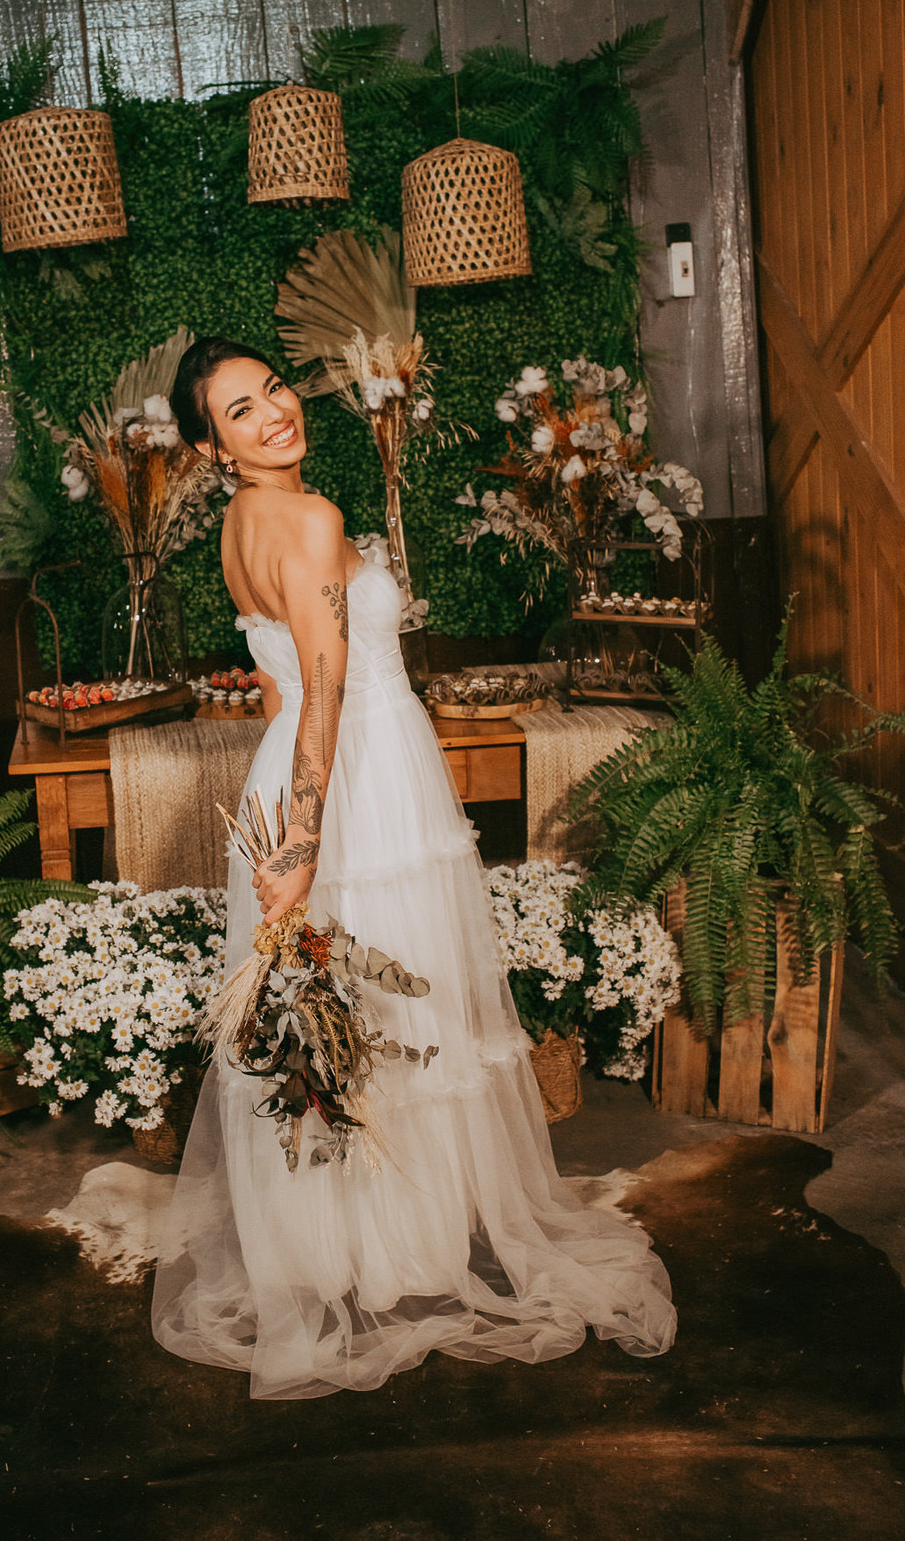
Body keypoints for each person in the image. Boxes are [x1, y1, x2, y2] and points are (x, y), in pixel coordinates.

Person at [151, 336, 676, 1400]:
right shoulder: (308, 518)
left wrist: (278, 818)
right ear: (211, 446)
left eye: (275, 389)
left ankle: (335, 1249)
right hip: (357, 781)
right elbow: (324, 691)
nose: (276, 413)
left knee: (337, 1027)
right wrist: (304, 846)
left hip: (295, 770)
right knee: (385, 1020)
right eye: (242, 410)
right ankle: (403, 1253)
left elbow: (273, 689)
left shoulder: (242, 526)